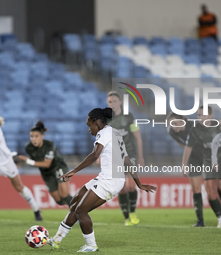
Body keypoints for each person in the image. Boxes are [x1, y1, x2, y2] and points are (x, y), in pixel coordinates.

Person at [47, 108, 157, 252]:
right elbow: (127, 160)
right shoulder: (115, 133)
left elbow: (94, 155)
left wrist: (74, 171)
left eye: (89, 125)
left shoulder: (104, 133)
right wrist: (139, 183)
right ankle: (57, 239)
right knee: (74, 203)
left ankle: (91, 245)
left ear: (97, 122)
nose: (89, 130)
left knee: (81, 211)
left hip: (110, 180)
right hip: (107, 178)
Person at [182, 106, 221, 228]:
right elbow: (188, 147)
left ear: (210, 115)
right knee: (207, 190)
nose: (200, 118)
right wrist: (184, 164)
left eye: (203, 115)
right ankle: (217, 219)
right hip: (203, 160)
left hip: (220, 160)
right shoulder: (194, 130)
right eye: (198, 115)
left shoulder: (220, 127)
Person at [107, 91, 145, 226]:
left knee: (130, 186)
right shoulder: (106, 120)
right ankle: (126, 217)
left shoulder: (129, 117)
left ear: (120, 102)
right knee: (122, 188)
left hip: (130, 155)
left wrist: (140, 156)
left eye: (114, 101)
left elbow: (137, 137)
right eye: (110, 102)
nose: (112, 104)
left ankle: (133, 212)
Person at [18, 121, 73, 206]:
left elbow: (47, 164)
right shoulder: (28, 148)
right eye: (31, 136)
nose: (34, 139)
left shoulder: (49, 145)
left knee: (64, 195)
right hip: (46, 173)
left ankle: (79, 211)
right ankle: (76, 205)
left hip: (58, 167)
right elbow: (37, 161)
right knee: (59, 201)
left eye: (36, 136)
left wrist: (28, 161)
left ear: (42, 136)